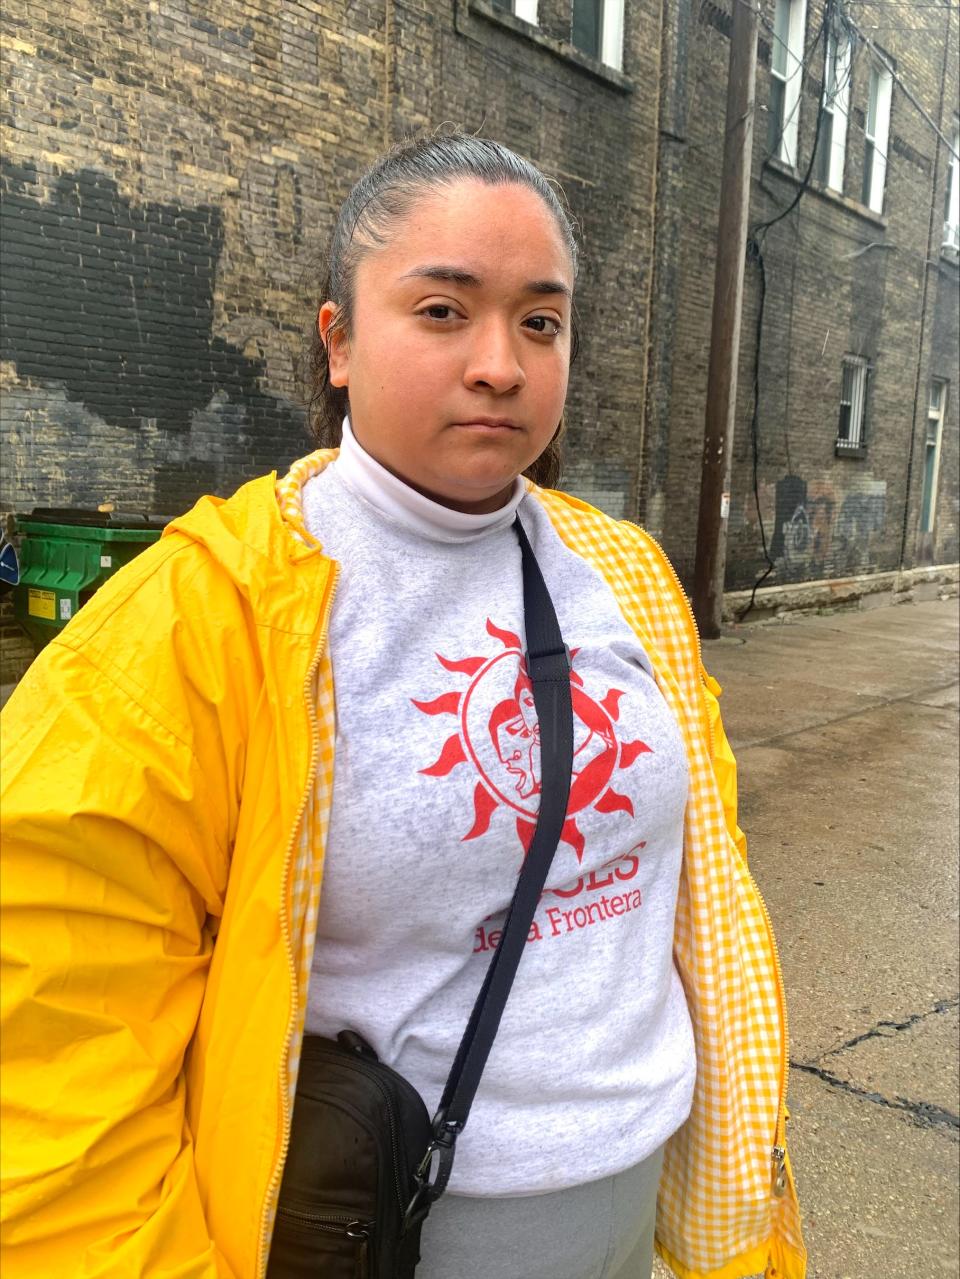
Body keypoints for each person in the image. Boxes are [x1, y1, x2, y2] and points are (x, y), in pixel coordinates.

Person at [0, 133, 806, 1279]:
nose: (500, 364)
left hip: (650, 1191)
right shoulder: (206, 613)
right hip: (399, 1220)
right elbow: (51, 1022)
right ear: (338, 339)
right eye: (442, 311)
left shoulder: (623, 573)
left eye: (541, 321)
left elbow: (696, 889)